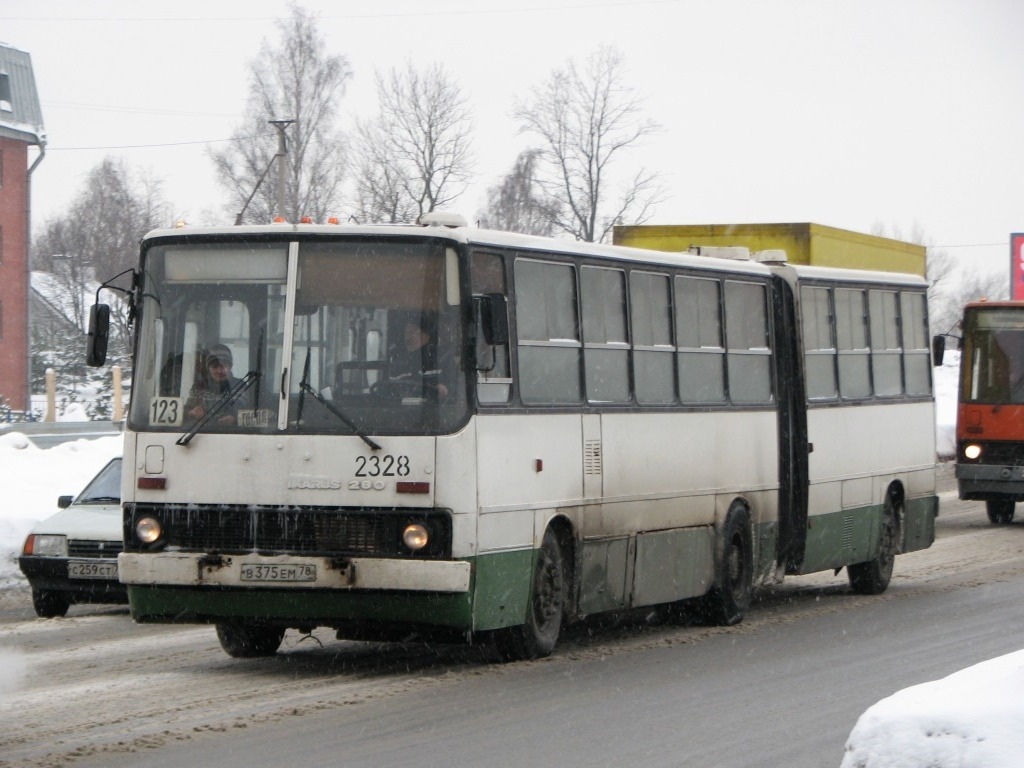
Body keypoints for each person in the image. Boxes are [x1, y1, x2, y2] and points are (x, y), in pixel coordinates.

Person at [385, 317, 449, 399]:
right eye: (406, 332)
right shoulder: (398, 361)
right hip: (401, 410)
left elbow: (451, 385)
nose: (407, 337)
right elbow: (391, 389)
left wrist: (443, 388)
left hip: (433, 409)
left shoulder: (442, 359)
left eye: (412, 332)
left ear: (425, 336)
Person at [186, 344, 247, 423]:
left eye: (224, 366)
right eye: (215, 366)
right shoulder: (198, 387)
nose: (219, 371)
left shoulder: (240, 385)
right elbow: (188, 409)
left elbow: (241, 410)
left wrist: (234, 417)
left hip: (233, 433)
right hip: (201, 432)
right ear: (208, 368)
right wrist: (192, 412)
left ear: (230, 366)